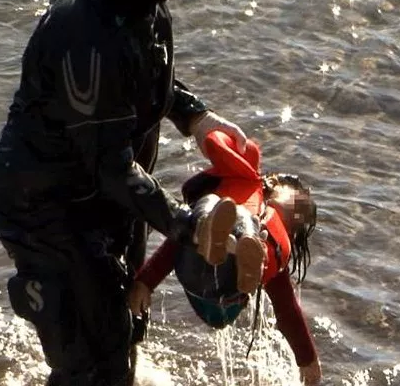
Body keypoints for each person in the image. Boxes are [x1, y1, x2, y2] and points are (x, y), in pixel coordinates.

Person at [0, 0, 251, 386]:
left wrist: (196, 118)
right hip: (47, 207)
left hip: (111, 198)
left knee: (127, 324)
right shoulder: (83, 34)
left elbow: (143, 78)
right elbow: (109, 163)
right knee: (90, 361)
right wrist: (184, 224)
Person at [128, 131, 323, 385]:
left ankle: (219, 239)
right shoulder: (272, 250)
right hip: (222, 291)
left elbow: (171, 248)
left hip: (207, 283)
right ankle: (224, 243)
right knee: (231, 218)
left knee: (210, 211)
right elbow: (287, 314)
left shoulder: (265, 231)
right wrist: (308, 361)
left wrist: (144, 282)